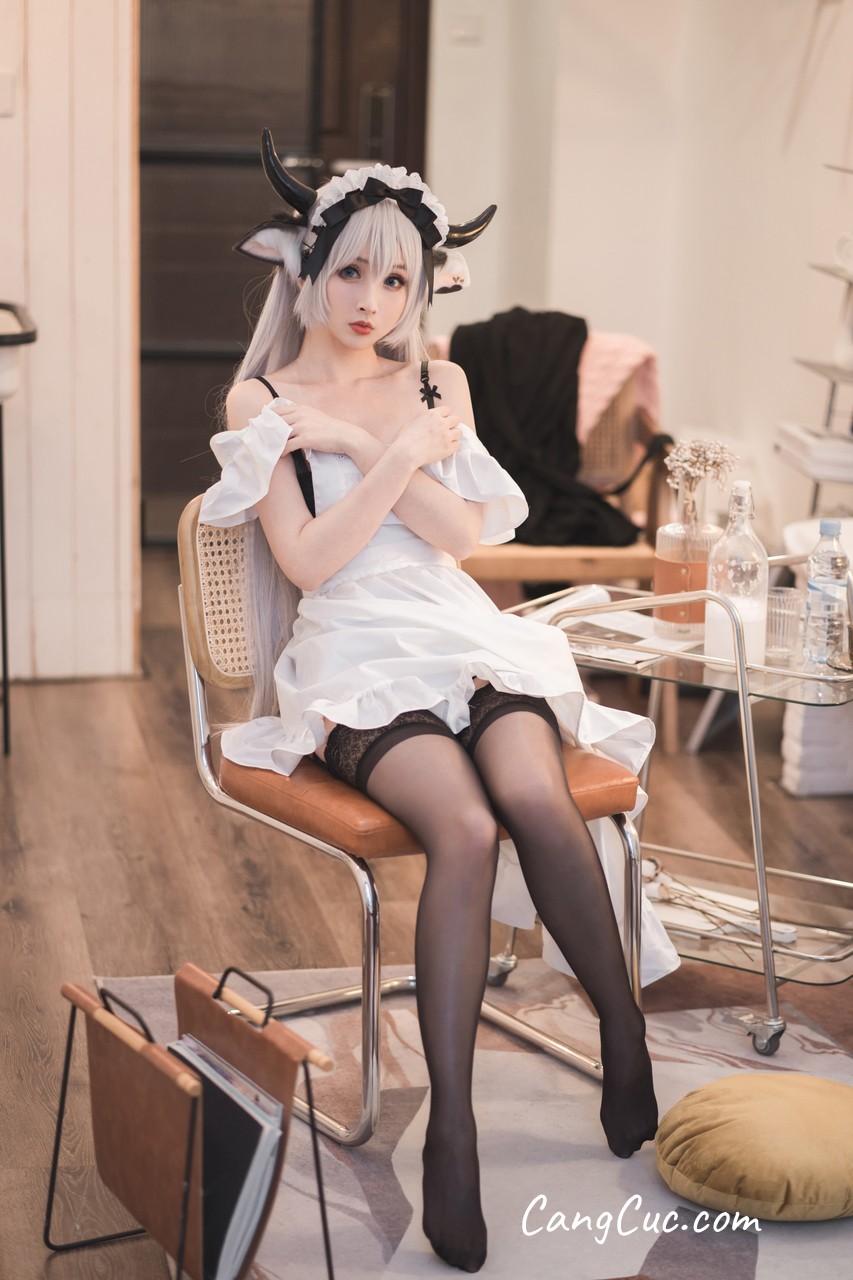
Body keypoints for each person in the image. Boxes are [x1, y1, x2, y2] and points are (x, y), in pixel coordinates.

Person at [200, 133, 678, 1274]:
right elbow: (311, 560)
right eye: (351, 271)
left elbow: (463, 537)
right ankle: (451, 1135)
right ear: (307, 270)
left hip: (463, 632)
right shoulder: (260, 397)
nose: (372, 300)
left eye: (397, 278)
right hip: (355, 650)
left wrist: (367, 436)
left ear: (424, 285)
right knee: (462, 827)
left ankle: (622, 1030)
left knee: (533, 795)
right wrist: (379, 452)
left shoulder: (439, 381)